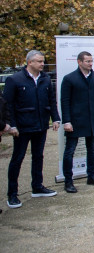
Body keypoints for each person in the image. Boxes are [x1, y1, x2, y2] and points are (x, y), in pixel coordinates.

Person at [3, 50, 61, 209]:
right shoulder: (14, 80)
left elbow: (51, 100)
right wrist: (12, 125)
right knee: (18, 158)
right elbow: (7, 105)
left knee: (38, 156)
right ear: (29, 62)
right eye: (39, 61)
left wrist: (55, 118)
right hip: (22, 127)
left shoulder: (45, 79)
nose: (42, 64)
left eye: (43, 61)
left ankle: (37, 186)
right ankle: (12, 194)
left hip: (40, 125)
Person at [60, 51, 94, 193]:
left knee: (92, 149)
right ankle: (68, 181)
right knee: (70, 151)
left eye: (91, 61)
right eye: (87, 61)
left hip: (92, 119)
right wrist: (67, 121)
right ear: (79, 62)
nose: (90, 63)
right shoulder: (69, 79)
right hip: (75, 120)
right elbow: (65, 101)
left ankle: (91, 176)